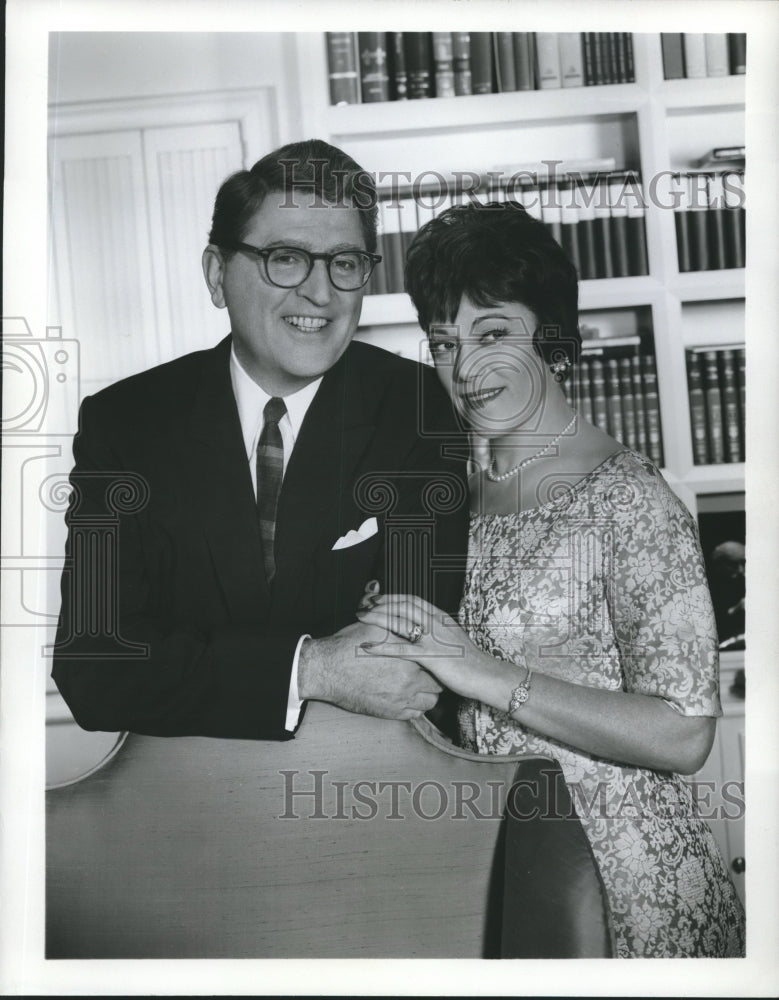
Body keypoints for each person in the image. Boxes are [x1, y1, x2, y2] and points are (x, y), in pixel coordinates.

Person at [356, 201, 746, 958]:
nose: (466, 369)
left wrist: (480, 669)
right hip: (496, 869)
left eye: (493, 333)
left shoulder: (625, 495)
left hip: (625, 886)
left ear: (554, 340)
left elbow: (682, 731)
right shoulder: (449, 491)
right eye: (444, 343)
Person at [52, 139, 469, 740]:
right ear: (217, 275)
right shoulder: (127, 424)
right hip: (177, 805)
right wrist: (311, 668)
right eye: (286, 257)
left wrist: (190, 663)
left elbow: (410, 666)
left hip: (366, 789)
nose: (321, 294)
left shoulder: (420, 407)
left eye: (345, 263)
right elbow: (93, 662)